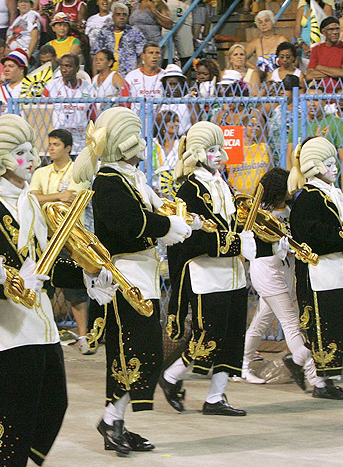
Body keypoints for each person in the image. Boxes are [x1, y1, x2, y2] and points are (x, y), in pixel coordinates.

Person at [0, 114, 89, 466]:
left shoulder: (31, 202)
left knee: (53, 403)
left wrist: (88, 275)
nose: (32, 159)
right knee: (10, 415)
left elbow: (49, 261)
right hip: (3, 328)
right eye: (21, 152)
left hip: (39, 323)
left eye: (32, 150)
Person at [72, 106, 190, 455]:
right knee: (130, 354)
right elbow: (129, 223)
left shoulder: (130, 177)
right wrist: (166, 227)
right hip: (124, 279)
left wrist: (180, 222)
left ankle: (115, 419)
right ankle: (112, 420)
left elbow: (149, 214)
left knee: (144, 354)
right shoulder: (108, 180)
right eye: (136, 138)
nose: (142, 144)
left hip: (143, 277)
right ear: (124, 144)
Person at [162, 121, 257, 416]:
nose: (218, 154)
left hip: (231, 273)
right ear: (199, 152)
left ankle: (216, 398)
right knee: (207, 334)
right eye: (211, 149)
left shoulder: (222, 183)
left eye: (220, 147)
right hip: (205, 274)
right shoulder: (190, 189)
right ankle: (170, 377)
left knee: (231, 335)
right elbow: (191, 237)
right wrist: (236, 242)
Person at [240, 167, 343, 398]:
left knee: (260, 321)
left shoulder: (291, 210)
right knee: (291, 322)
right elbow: (253, 248)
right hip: (267, 272)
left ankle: (243, 365)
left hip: (285, 272)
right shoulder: (262, 215)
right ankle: (313, 377)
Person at [288, 136, 343, 396]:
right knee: (324, 325)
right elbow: (313, 233)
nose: (335, 169)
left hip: (338, 269)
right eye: (330, 164)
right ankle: (322, 383)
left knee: (340, 320)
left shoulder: (330, 193)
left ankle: (301, 362)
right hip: (319, 272)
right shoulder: (308, 196)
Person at [29, 129, 93, 354]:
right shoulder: (40, 172)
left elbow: (72, 203)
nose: (51, 148)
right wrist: (57, 196)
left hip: (69, 239)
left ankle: (84, 336)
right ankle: (43, 335)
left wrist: (46, 199)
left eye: (56, 144)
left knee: (75, 291)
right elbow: (32, 199)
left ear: (68, 148)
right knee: (41, 288)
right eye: (50, 144)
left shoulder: (78, 172)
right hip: (44, 238)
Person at [42, 53, 97, 154]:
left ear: (77, 68)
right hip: (58, 141)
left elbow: (92, 117)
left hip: (80, 141)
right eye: (62, 66)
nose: (64, 69)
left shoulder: (88, 88)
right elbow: (43, 115)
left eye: (68, 66)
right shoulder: (51, 87)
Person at [305, 84, 343, 195]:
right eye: (308, 99)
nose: (312, 103)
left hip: (330, 186)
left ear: (325, 102)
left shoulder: (337, 123)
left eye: (316, 99)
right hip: (304, 185)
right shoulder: (297, 125)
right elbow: (289, 157)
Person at [92, 2, 146, 77]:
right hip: (107, 76)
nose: (121, 17)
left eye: (124, 15)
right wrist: (95, 77)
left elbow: (143, 55)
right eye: (118, 14)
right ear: (112, 16)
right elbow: (95, 56)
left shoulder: (135, 32)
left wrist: (136, 74)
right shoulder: (104, 33)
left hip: (129, 76)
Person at [306, 16, 343, 94]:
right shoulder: (316, 49)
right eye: (331, 29)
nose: (335, 32)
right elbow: (309, 75)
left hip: (340, 95)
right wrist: (335, 73)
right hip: (320, 95)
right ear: (323, 32)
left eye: (337, 29)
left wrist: (319, 67)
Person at [244, 10, 290, 77]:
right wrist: (256, 69)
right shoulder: (256, 42)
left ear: (273, 22)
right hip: (261, 79)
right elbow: (241, 58)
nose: (263, 24)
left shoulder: (281, 39)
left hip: (280, 78)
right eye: (260, 22)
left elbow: (291, 58)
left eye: (267, 20)